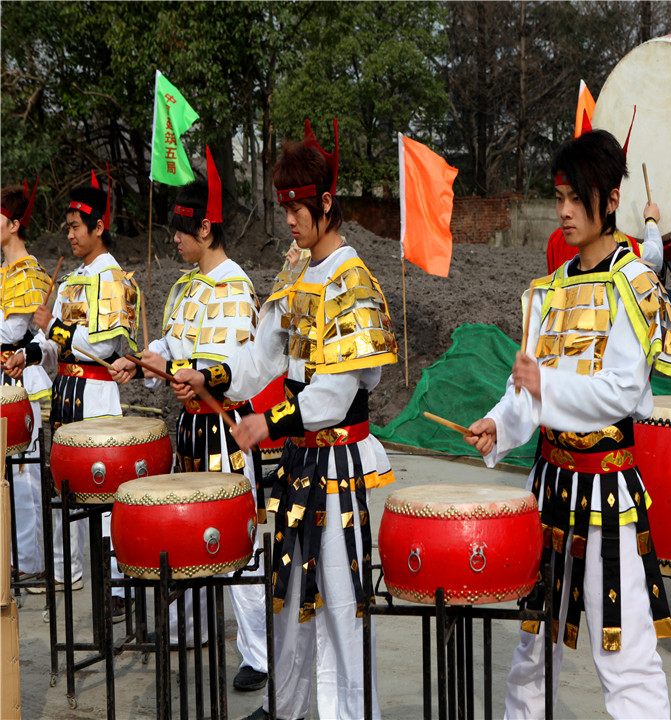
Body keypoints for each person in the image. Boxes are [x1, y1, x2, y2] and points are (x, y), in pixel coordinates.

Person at [175, 120, 399, 720]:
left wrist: (266, 423)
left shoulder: (354, 284)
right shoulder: (296, 272)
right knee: (290, 600)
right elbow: (257, 357)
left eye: (300, 208)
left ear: (327, 203)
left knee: (342, 608)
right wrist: (209, 375)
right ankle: (289, 709)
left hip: (337, 465)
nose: (291, 221)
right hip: (300, 460)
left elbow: (334, 394)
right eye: (285, 208)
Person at [465, 129, 671, 720]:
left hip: (607, 489)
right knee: (533, 646)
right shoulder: (551, 288)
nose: (563, 210)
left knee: (624, 652)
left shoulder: (635, 284)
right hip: (549, 487)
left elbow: (623, 392)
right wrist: (499, 422)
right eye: (559, 195)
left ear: (611, 200)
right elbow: (526, 387)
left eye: (577, 197)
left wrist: (545, 387)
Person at [109, 149, 269, 691]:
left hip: (226, 427)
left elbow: (227, 368)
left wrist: (183, 370)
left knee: (235, 542)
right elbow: (172, 344)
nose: (173, 238)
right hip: (191, 429)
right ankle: (189, 629)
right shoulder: (182, 287)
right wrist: (142, 360)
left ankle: (259, 652)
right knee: (187, 531)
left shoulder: (236, 287)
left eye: (182, 228)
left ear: (206, 226)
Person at [6, 178, 139, 621]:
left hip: (98, 393)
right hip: (65, 393)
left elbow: (102, 346)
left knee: (103, 494)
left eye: (77, 225)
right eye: (67, 225)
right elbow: (52, 344)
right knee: (64, 491)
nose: (69, 233)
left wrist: (54, 329)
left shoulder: (113, 277)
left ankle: (118, 586)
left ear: (99, 226)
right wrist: (28, 354)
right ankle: (67, 573)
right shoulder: (72, 279)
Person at [1, 180, 52, 583]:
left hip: (23, 378)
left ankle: (32, 563)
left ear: (14, 224)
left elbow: (12, 329)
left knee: (24, 475)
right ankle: (14, 558)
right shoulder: (3, 271)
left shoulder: (29, 272)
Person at [546, 200, 664, 274]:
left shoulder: (556, 238)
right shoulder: (617, 241)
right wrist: (650, 220)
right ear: (611, 202)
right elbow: (655, 256)